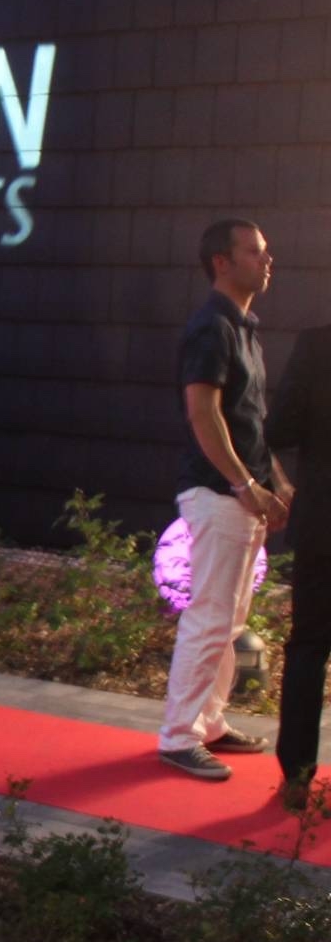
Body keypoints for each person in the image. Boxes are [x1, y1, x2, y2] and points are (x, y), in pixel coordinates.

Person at [157, 220, 291, 780]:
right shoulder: (211, 327)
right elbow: (203, 414)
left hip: (239, 495)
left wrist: (274, 481)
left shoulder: (241, 329)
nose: (267, 260)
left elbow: (248, 421)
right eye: (255, 251)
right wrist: (244, 485)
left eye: (265, 251)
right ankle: (178, 736)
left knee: (229, 621)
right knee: (211, 616)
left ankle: (208, 723)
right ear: (222, 261)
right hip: (218, 495)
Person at [266, 318, 331, 809]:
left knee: (309, 644)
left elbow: (279, 429)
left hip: (322, 520)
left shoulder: (316, 343)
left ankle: (297, 777)